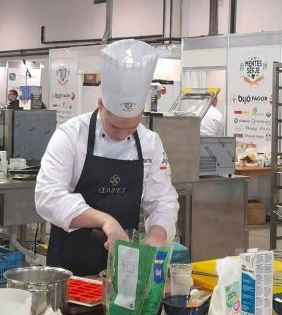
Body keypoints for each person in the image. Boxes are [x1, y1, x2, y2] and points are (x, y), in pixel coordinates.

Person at [35, 39, 178, 277]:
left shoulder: (150, 142)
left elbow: (163, 199)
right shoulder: (70, 135)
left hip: (124, 264)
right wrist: (104, 220)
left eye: (131, 128)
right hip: (72, 265)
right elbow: (47, 196)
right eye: (114, 126)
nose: (122, 135)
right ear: (100, 103)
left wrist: (157, 234)